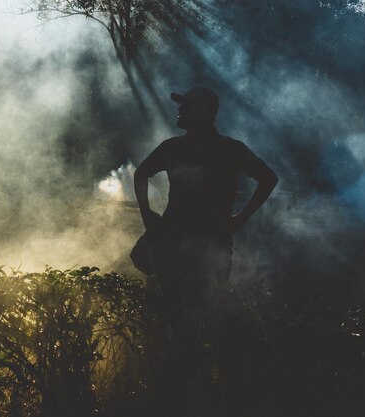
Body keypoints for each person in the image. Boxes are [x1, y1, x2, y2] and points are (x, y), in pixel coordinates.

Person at [133, 86, 278, 416]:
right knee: (206, 314)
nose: (179, 112)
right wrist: (240, 218)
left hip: (178, 246)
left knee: (181, 320)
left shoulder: (176, 148)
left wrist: (147, 214)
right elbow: (269, 178)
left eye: (185, 108)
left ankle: (191, 388)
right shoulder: (230, 149)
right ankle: (208, 386)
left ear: (200, 113)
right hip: (210, 244)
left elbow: (141, 174)